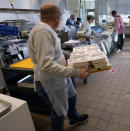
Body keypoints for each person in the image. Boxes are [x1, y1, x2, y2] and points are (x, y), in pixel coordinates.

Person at [28, 3, 89, 131]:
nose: (61, 20)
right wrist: (76, 72)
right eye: (60, 17)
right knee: (59, 113)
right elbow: (46, 65)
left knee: (72, 95)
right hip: (50, 81)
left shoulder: (48, 29)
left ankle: (74, 118)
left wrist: (71, 54)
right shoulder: (42, 32)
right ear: (56, 16)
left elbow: (56, 51)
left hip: (60, 77)